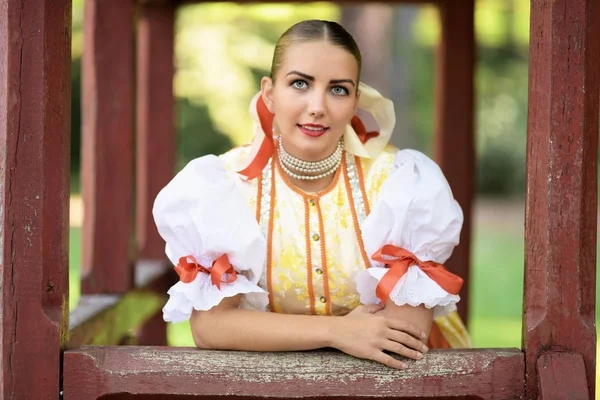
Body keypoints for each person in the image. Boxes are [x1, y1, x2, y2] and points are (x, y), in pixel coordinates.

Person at [153, 19, 471, 370]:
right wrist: (338, 332)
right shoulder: (224, 187)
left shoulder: (400, 184)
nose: (318, 106)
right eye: (300, 84)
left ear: (355, 102)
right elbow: (211, 327)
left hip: (401, 381)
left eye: (338, 89)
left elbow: (403, 335)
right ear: (269, 94)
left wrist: (265, 330)